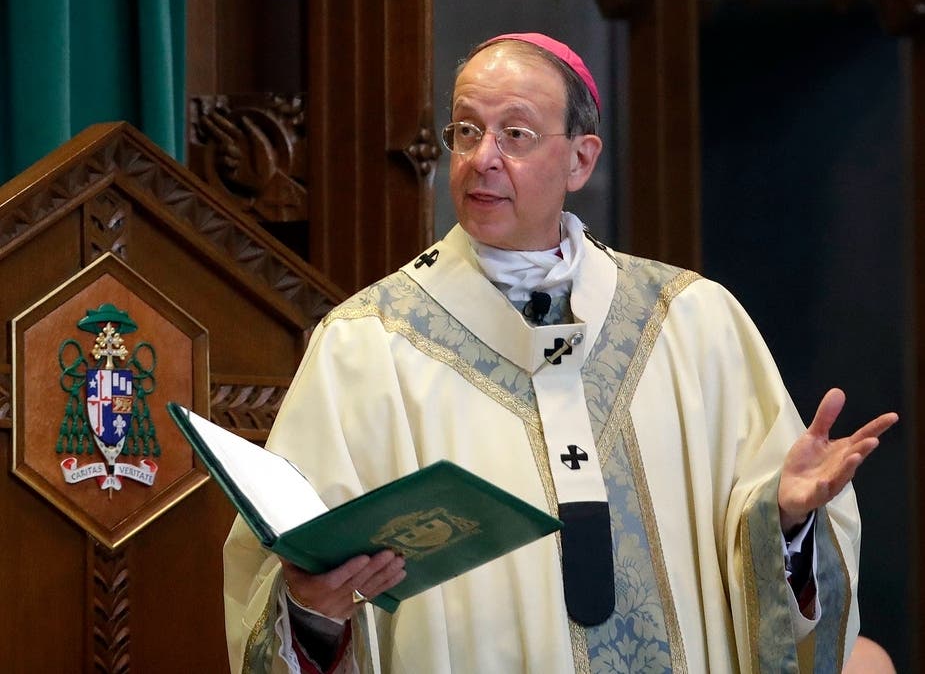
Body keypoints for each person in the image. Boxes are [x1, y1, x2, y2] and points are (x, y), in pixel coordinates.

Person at [223, 33, 898, 673]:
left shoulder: (690, 321)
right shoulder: (368, 343)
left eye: (514, 134)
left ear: (581, 158)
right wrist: (311, 608)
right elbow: (285, 577)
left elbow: (775, 590)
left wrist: (781, 521)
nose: (482, 156)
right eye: (464, 130)